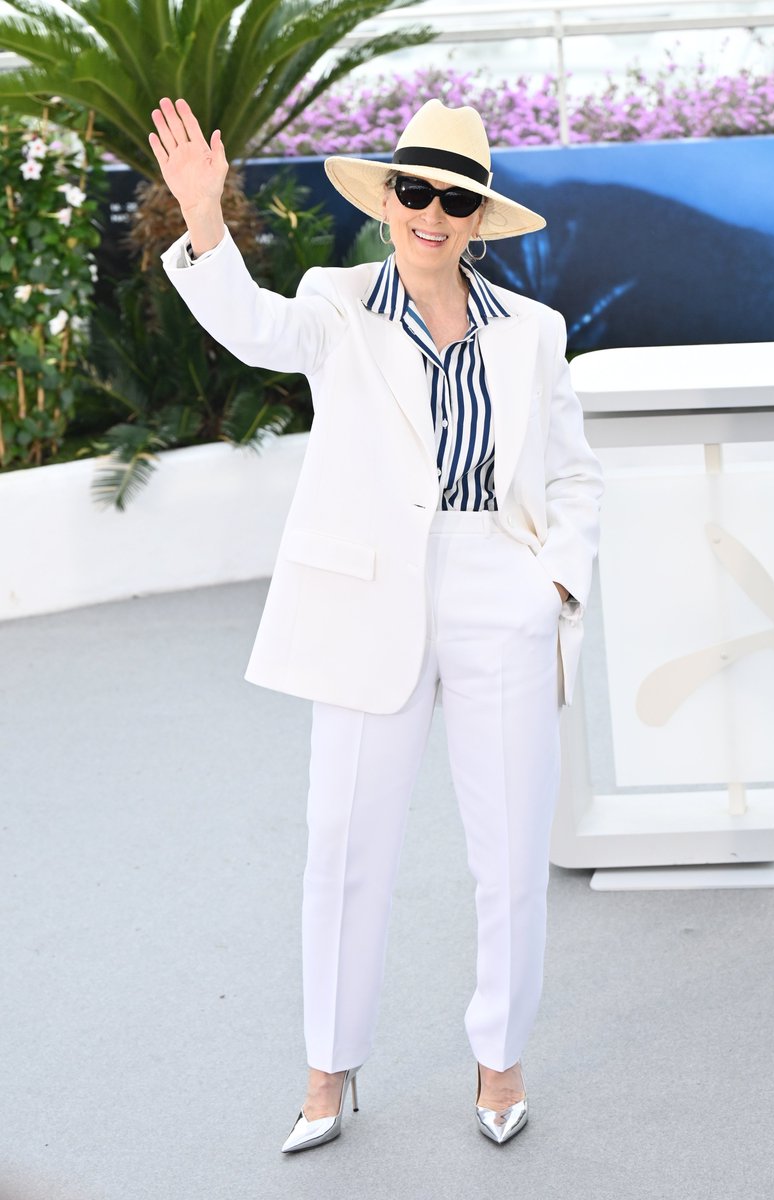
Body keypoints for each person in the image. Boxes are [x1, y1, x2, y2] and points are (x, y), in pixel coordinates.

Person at [149, 94, 603, 1150]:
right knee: (345, 844)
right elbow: (251, 325)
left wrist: (552, 588)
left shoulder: (533, 335)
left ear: (477, 215)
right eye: (415, 191)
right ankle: (327, 1069)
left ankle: (500, 1060)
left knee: (507, 851)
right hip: (368, 597)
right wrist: (203, 220)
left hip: (500, 582)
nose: (431, 214)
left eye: (454, 197)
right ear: (388, 199)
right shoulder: (338, 304)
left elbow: (574, 478)